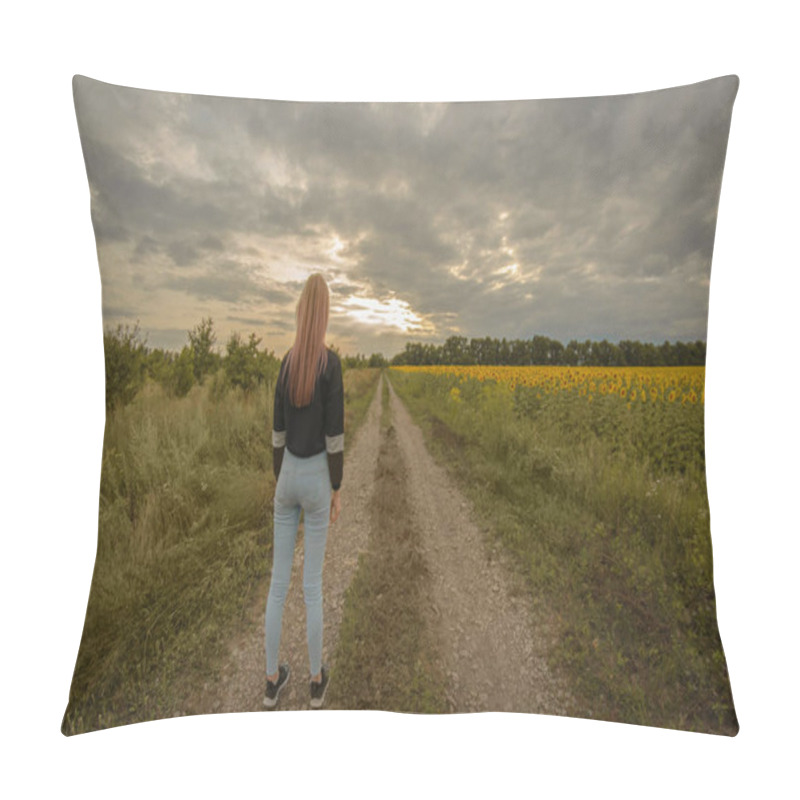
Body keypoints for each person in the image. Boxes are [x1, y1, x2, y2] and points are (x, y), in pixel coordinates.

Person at [264, 273, 344, 710]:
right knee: (311, 586)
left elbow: (277, 433)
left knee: (278, 586)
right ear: (324, 314)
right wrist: (336, 487)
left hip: (289, 473)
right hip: (316, 477)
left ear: (299, 311)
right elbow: (336, 436)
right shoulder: (330, 366)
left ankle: (271, 681)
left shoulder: (286, 363)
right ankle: (315, 683)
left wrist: (280, 477)